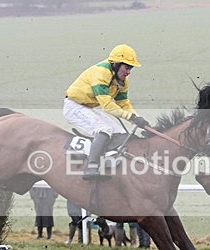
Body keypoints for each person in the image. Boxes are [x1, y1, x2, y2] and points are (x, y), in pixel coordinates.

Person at [63, 44, 152, 180]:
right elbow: (108, 106)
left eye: (131, 68)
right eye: (127, 67)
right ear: (116, 64)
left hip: (87, 107)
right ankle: (91, 167)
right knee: (104, 130)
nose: (128, 72)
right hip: (73, 107)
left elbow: (123, 103)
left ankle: (105, 160)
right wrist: (131, 117)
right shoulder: (101, 73)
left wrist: (138, 119)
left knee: (121, 133)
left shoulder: (123, 81)